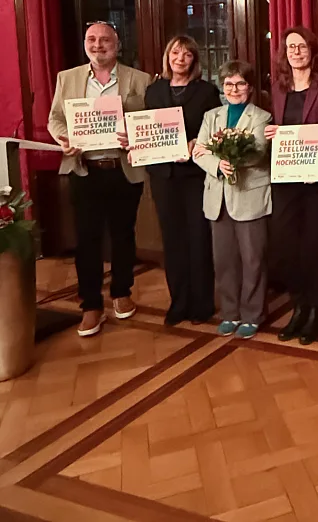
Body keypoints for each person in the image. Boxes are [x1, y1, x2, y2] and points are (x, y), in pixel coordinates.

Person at [47, 22, 151, 337]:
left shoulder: (139, 80)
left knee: (123, 236)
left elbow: (149, 120)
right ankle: (91, 305)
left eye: (105, 40)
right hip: (83, 169)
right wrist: (63, 137)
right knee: (87, 240)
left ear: (117, 44)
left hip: (123, 170)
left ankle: (121, 292)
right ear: (84, 44)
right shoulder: (68, 78)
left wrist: (135, 136)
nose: (98, 45)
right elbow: (55, 118)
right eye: (92, 39)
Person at [266, 27, 318, 345]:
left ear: (313, 51)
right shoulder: (278, 88)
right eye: (290, 47)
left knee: (314, 247)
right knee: (286, 246)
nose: (296, 51)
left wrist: (315, 161)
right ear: (284, 54)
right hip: (286, 179)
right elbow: (278, 130)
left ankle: (314, 311)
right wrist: (271, 133)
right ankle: (298, 306)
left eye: (302, 46)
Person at [144, 36, 221, 326]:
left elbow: (215, 130)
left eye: (187, 54)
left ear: (194, 60)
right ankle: (178, 302)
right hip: (163, 176)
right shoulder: (154, 91)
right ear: (168, 56)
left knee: (198, 238)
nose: (180, 58)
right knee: (173, 240)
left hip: (195, 176)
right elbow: (147, 129)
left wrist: (194, 142)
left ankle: (202, 303)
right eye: (175, 52)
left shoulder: (207, 92)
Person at [193, 61, 272, 339]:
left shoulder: (262, 117)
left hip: (250, 196)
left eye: (240, 84)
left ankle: (252, 314)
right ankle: (230, 313)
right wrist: (218, 165)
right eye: (228, 84)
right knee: (224, 259)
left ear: (249, 88)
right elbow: (199, 151)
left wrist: (236, 160)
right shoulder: (211, 116)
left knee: (253, 259)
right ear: (222, 88)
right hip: (218, 197)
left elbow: (259, 152)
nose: (234, 89)